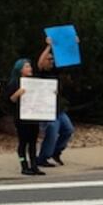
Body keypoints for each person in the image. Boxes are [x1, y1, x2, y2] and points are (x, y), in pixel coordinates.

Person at [35, 37, 76, 168]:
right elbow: (40, 63)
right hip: (47, 109)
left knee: (68, 130)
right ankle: (43, 157)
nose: (51, 61)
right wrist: (49, 47)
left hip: (58, 108)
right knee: (52, 131)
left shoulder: (55, 71)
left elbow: (67, 60)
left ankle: (56, 152)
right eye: (49, 59)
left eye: (52, 59)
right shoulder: (41, 73)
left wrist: (72, 44)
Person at [7, 58, 45, 177]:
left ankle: (34, 165)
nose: (30, 69)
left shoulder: (34, 82)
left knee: (33, 142)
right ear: (20, 69)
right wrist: (17, 94)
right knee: (23, 142)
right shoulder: (14, 83)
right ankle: (24, 165)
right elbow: (10, 100)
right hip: (21, 117)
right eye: (27, 66)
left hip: (33, 116)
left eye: (30, 66)